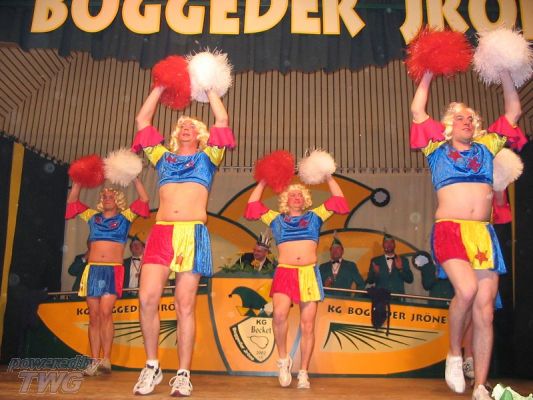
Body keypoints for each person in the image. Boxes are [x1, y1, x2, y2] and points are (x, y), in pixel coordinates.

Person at [410, 70, 525, 400]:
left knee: (485, 312)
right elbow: (418, 110)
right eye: (460, 118)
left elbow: (513, 112)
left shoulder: (487, 146)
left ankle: (480, 387)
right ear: (449, 125)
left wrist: (505, 71)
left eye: (470, 118)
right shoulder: (436, 147)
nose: (466, 122)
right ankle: (454, 354)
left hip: (483, 235)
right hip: (450, 229)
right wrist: (428, 72)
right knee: (468, 289)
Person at [131, 86, 234, 396]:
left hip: (192, 234)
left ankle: (183, 373)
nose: (186, 126)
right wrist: (160, 86)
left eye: (192, 125)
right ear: (176, 134)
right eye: (182, 125)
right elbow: (142, 120)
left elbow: (222, 119)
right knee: (147, 299)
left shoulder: (208, 158)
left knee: (184, 305)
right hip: (162, 232)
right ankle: (152, 366)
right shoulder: (163, 158)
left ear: (200, 135)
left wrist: (210, 88)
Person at [245, 177, 349, 389]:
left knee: (307, 325)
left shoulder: (315, 216)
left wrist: (328, 176)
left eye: (300, 195)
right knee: (279, 315)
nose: (296, 197)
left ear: (306, 199)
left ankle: (303, 372)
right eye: (292, 195)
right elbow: (253, 205)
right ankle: (283, 360)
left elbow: (339, 199)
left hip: (308, 273)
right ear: (286, 200)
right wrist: (263, 181)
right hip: (285, 271)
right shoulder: (276, 220)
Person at [65, 178, 149, 376]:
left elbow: (144, 199)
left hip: (112, 270)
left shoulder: (125, 218)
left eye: (111, 196)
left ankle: (107, 359)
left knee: (105, 312)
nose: (107, 199)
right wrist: (78, 182)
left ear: (117, 200)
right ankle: (94, 360)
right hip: (93, 270)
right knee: (93, 316)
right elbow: (72, 202)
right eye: (104, 196)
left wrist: (135, 178)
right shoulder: (93, 217)